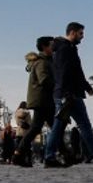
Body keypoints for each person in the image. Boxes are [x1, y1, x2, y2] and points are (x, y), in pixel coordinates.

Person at [44, 22, 93, 167]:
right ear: (72, 32)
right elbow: (63, 72)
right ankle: (50, 156)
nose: (82, 37)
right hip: (67, 94)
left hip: (69, 93)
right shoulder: (63, 49)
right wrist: (67, 93)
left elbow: (76, 71)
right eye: (81, 33)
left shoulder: (69, 48)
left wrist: (86, 86)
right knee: (66, 126)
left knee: (78, 125)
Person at [13, 37, 65, 167]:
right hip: (43, 100)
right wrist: (58, 86)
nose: (53, 48)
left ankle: (18, 154)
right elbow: (44, 80)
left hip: (42, 100)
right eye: (51, 45)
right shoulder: (42, 62)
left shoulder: (45, 61)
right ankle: (60, 155)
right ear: (44, 47)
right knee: (53, 127)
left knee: (44, 127)